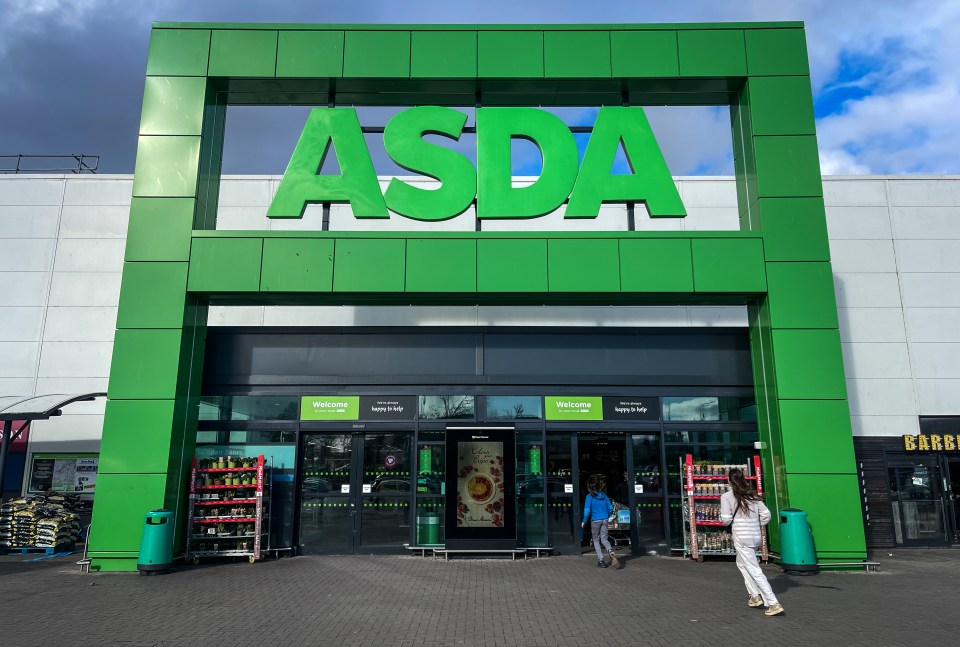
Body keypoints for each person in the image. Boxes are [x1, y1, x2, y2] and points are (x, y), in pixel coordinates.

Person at [719, 468, 784, 617]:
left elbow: (726, 519)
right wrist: (757, 524)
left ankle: (773, 602)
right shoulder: (752, 496)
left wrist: (727, 521)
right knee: (741, 564)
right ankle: (754, 596)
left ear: (729, 480)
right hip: (755, 536)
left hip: (741, 537)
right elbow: (767, 515)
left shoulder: (727, 497)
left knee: (754, 569)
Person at [581, 475, 619, 569]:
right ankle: (610, 551)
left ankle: (601, 560)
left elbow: (587, 511)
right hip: (605, 519)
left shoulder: (589, 497)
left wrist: (584, 521)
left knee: (596, 540)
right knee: (604, 539)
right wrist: (606, 516)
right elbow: (610, 508)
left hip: (595, 520)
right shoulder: (604, 496)